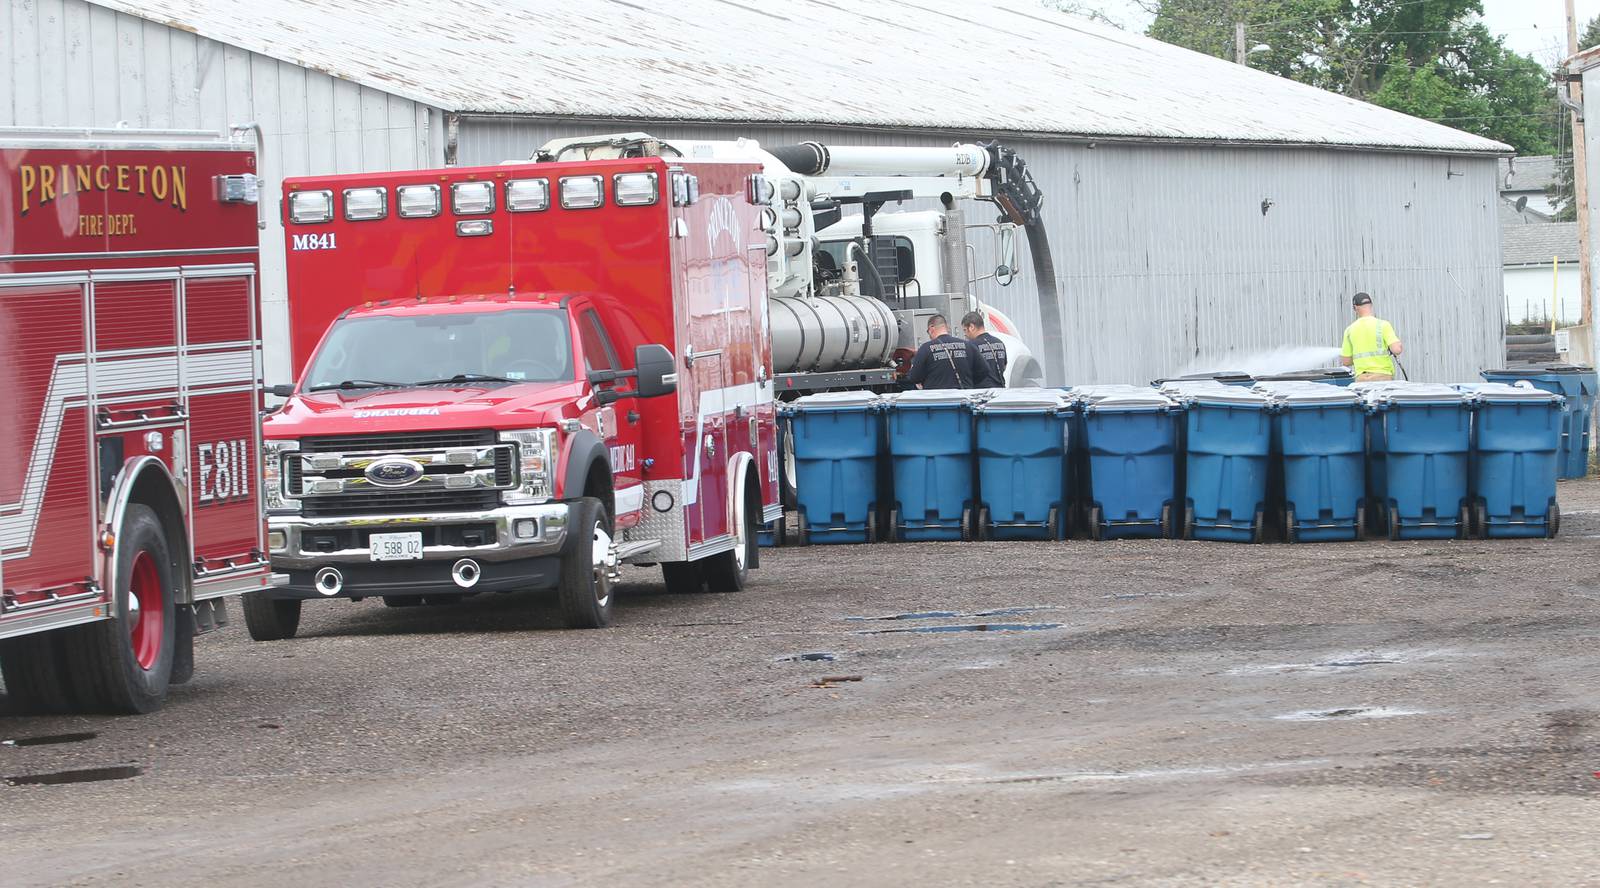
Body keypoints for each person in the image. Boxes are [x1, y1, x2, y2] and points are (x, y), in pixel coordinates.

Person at [906, 314, 984, 389]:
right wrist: (969, 382)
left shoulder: (925, 348)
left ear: (931, 328)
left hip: (937, 396)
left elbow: (914, 377)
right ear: (947, 328)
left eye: (928, 331)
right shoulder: (967, 345)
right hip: (963, 395)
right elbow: (984, 371)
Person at [1340, 292, 1403, 382]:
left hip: (1362, 379)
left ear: (1355, 308)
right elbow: (1397, 350)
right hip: (1382, 377)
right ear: (1371, 305)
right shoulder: (1383, 325)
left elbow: (1346, 361)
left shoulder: (1349, 330)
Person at [961, 310, 1007, 388]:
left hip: (982, 391)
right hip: (1000, 390)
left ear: (971, 327)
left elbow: (966, 370)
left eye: (965, 330)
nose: (965, 334)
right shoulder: (999, 343)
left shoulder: (970, 346)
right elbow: (1004, 365)